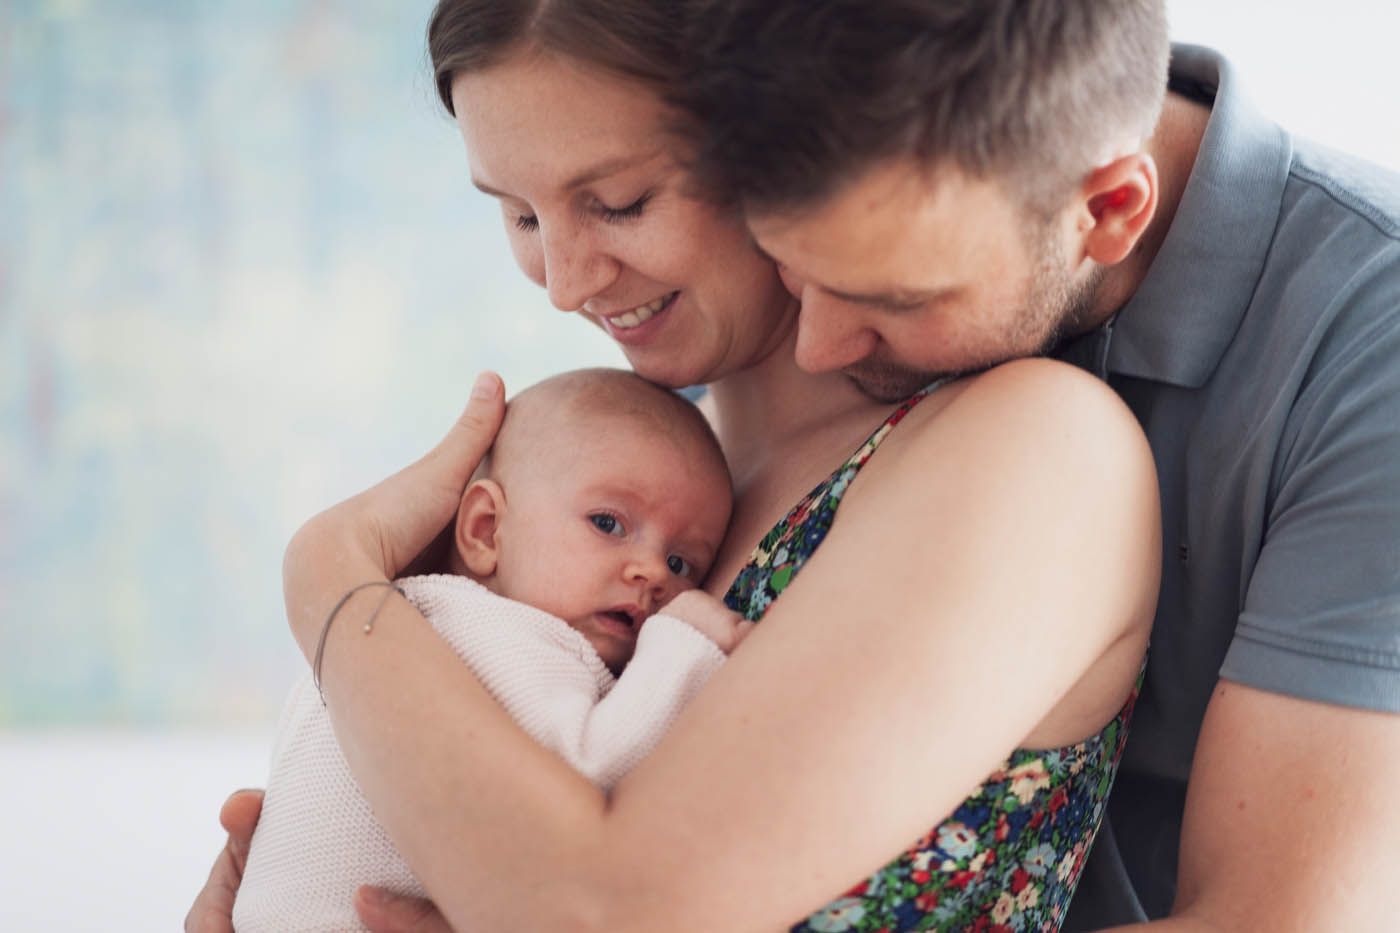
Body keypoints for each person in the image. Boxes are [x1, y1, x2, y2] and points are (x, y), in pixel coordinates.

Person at [186, 1, 1161, 930]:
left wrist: (327, 578)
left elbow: (600, 914)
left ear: (767, 135)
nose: (564, 283)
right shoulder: (597, 471)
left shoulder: (1030, 448)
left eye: (616, 202)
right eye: (519, 216)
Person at [670, 0, 1400, 928]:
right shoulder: (852, 169)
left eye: (889, 300)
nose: (814, 347)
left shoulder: (1373, 347)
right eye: (787, 269)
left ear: (1109, 209)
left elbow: (1276, 920)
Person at [232, 368, 748, 932]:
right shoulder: (515, 638)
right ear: (484, 529)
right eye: (608, 523)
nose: (650, 570)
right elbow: (592, 765)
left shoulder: (403, 610)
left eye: (681, 564)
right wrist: (686, 642)